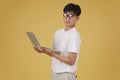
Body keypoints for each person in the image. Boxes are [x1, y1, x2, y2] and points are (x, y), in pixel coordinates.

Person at [34, 3, 81, 80]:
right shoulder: (58, 33)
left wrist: (52, 52)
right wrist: (43, 50)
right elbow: (56, 54)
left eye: (71, 16)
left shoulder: (74, 35)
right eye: (66, 15)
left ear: (77, 18)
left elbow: (71, 61)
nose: (67, 18)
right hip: (54, 73)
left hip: (65, 75)